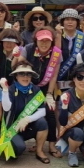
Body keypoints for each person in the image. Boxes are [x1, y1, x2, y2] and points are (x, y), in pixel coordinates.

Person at [20, 26, 61, 158]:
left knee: (50, 112)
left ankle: (52, 144)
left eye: (47, 40)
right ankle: (38, 144)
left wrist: (49, 94)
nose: (44, 43)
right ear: (35, 40)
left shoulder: (56, 53)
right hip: (28, 86)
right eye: (41, 40)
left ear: (52, 41)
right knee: (31, 112)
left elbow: (54, 76)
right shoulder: (28, 49)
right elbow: (19, 65)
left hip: (45, 87)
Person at [0, 60, 49, 163]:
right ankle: (11, 143)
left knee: (42, 122)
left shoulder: (36, 89)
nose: (25, 77)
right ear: (16, 76)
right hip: (12, 128)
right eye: (21, 74)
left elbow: (42, 111)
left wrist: (28, 119)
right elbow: (6, 108)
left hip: (28, 126)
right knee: (18, 150)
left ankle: (39, 151)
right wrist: (5, 91)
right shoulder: (10, 89)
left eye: (28, 74)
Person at [55, 9, 84, 93]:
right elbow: (55, 55)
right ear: (62, 22)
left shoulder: (83, 37)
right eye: (67, 19)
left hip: (77, 80)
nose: (70, 22)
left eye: (73, 19)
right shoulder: (56, 35)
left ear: (77, 22)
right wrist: (58, 35)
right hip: (58, 79)